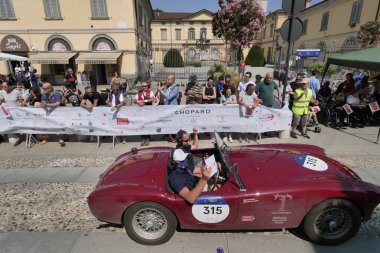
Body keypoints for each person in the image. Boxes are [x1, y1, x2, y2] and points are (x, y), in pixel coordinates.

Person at [41, 82, 67, 146]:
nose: (43, 90)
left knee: (60, 124)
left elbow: (58, 104)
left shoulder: (56, 93)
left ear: (50, 88)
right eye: (43, 88)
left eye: (45, 88)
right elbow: (43, 102)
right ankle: (45, 138)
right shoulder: (44, 94)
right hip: (50, 111)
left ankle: (61, 138)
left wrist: (46, 104)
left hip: (59, 111)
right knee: (44, 123)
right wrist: (43, 104)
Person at [0, 80, 23, 146]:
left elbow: (22, 101)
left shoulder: (17, 92)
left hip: (17, 113)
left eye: (5, 87)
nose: (3, 88)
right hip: (8, 114)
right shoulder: (2, 92)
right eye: (2, 87)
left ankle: (20, 135)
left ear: (10, 86)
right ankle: (17, 135)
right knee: (12, 143)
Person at [134, 81, 155, 146]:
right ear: (141, 87)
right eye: (143, 86)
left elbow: (152, 99)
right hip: (141, 112)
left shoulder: (150, 92)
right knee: (142, 124)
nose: (145, 87)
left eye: (146, 86)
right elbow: (134, 100)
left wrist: (143, 101)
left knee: (148, 124)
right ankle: (143, 138)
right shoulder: (139, 93)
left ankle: (147, 138)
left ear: (147, 86)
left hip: (148, 111)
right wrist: (138, 102)